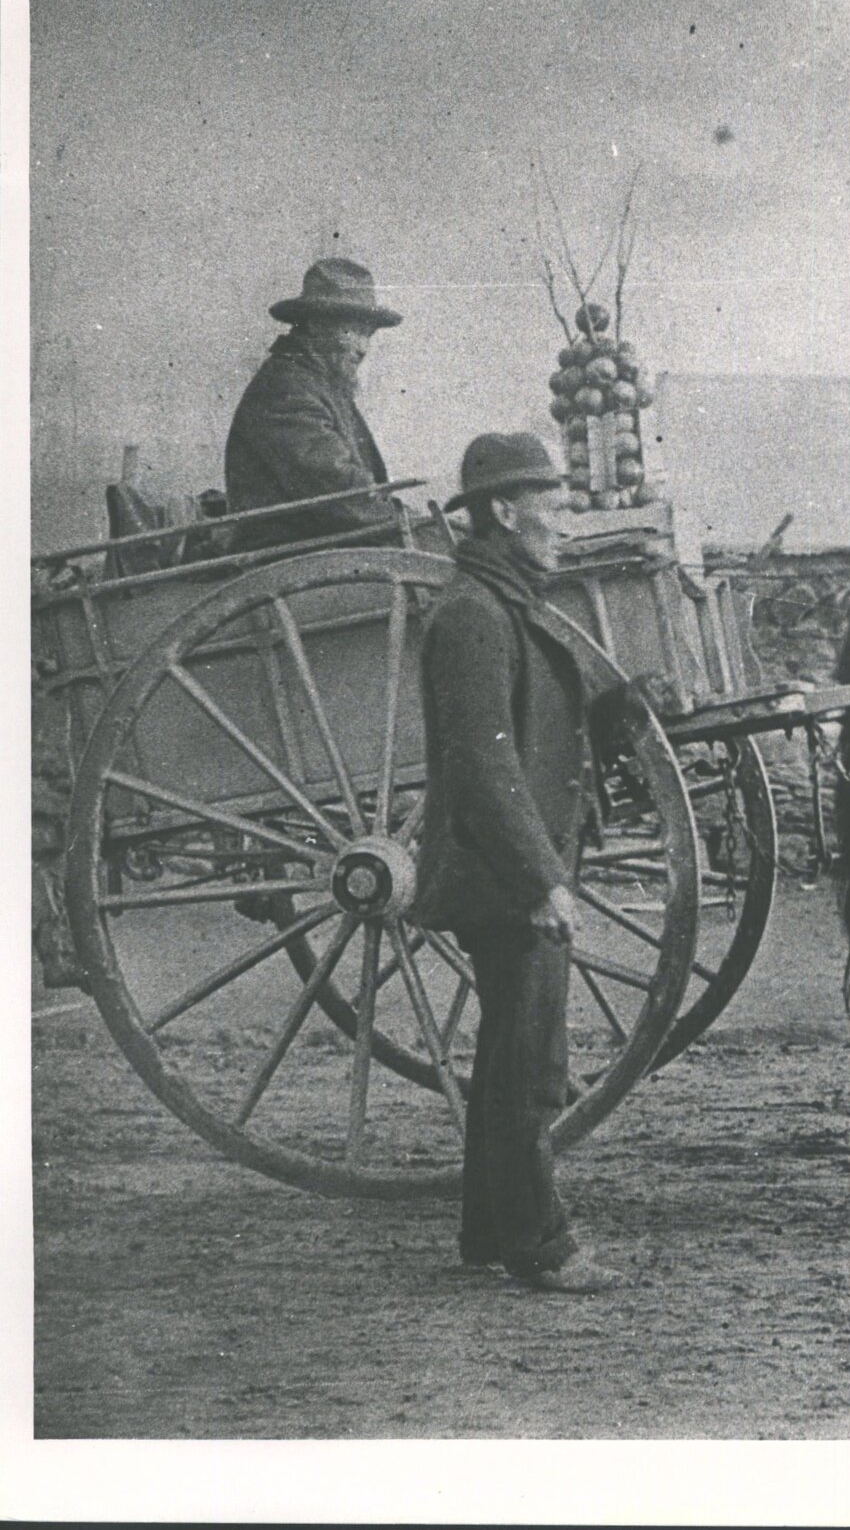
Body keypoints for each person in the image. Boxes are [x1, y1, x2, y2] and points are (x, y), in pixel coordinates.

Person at [407, 432, 622, 1294]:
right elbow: (484, 767)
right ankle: (541, 1243)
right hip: (497, 874)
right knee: (529, 1064)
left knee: (509, 1051)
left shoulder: (501, 605)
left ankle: (489, 1229)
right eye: (552, 506)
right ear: (504, 510)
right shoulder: (473, 615)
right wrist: (541, 880)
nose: (565, 524)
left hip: (505, 868)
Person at [224, 257, 404, 552]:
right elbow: (337, 491)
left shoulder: (320, 384)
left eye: (368, 334)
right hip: (290, 556)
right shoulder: (286, 389)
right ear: (317, 324)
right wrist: (401, 518)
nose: (363, 348)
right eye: (354, 331)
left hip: (326, 547)